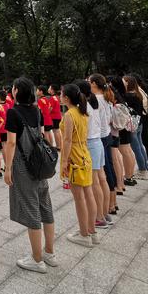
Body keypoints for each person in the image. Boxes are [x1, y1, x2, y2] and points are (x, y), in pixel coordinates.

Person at [4, 77, 57, 273]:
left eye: (13, 87)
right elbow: (40, 136)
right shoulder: (37, 111)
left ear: (16, 91)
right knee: (45, 207)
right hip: (40, 165)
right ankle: (49, 252)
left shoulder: (13, 113)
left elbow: (10, 143)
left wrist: (7, 168)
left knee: (32, 209)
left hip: (23, 166)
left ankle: (36, 259)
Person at [60, 83, 98, 247]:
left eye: (62, 94)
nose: (60, 97)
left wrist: (63, 162)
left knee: (79, 198)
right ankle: (91, 231)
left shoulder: (69, 115)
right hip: (85, 154)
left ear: (66, 98)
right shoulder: (83, 113)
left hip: (75, 157)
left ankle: (84, 234)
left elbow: (68, 140)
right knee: (88, 194)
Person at [77, 80, 111, 229]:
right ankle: (104, 212)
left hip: (91, 143)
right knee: (102, 179)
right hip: (98, 141)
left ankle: (99, 217)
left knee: (96, 181)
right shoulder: (94, 102)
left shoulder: (84, 107)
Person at [89, 74, 119, 217]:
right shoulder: (106, 97)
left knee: (105, 172)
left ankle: (109, 206)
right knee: (109, 169)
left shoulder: (97, 99)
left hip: (99, 137)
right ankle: (113, 202)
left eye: (89, 82)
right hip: (107, 134)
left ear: (94, 83)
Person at [109, 76, 137, 187]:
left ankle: (128, 177)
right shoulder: (123, 94)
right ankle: (130, 175)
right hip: (125, 125)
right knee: (128, 151)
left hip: (120, 127)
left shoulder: (115, 95)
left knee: (125, 151)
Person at [123, 76, 148, 180]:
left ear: (128, 83)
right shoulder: (138, 93)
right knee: (140, 146)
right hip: (139, 122)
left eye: (124, 81)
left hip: (132, 124)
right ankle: (144, 167)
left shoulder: (128, 96)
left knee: (136, 148)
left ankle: (142, 170)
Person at [48, 84, 63, 151]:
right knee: (57, 131)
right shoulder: (56, 97)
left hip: (54, 117)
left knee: (55, 131)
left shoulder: (52, 98)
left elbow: (50, 108)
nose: (48, 89)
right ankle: (60, 145)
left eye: (49, 88)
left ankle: (58, 146)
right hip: (58, 116)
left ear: (52, 90)